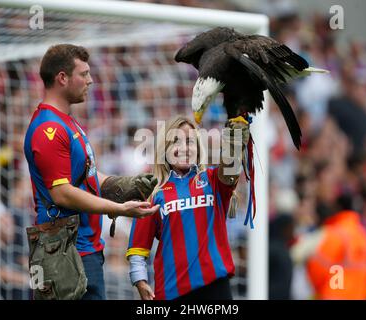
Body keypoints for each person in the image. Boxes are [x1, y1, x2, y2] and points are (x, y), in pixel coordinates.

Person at [23, 44, 159, 300]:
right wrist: (117, 209)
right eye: (84, 74)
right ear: (62, 78)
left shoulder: (68, 122)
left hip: (83, 250)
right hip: (65, 254)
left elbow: (87, 178)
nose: (91, 80)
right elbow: (62, 193)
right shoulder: (48, 130)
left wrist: (128, 185)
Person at [126, 115, 249, 300]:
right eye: (176, 141)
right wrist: (140, 282)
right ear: (164, 149)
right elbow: (138, 247)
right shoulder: (153, 192)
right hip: (171, 291)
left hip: (215, 287)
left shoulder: (212, 179)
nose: (184, 148)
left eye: (190, 142)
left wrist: (235, 140)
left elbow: (230, 172)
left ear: (198, 149)